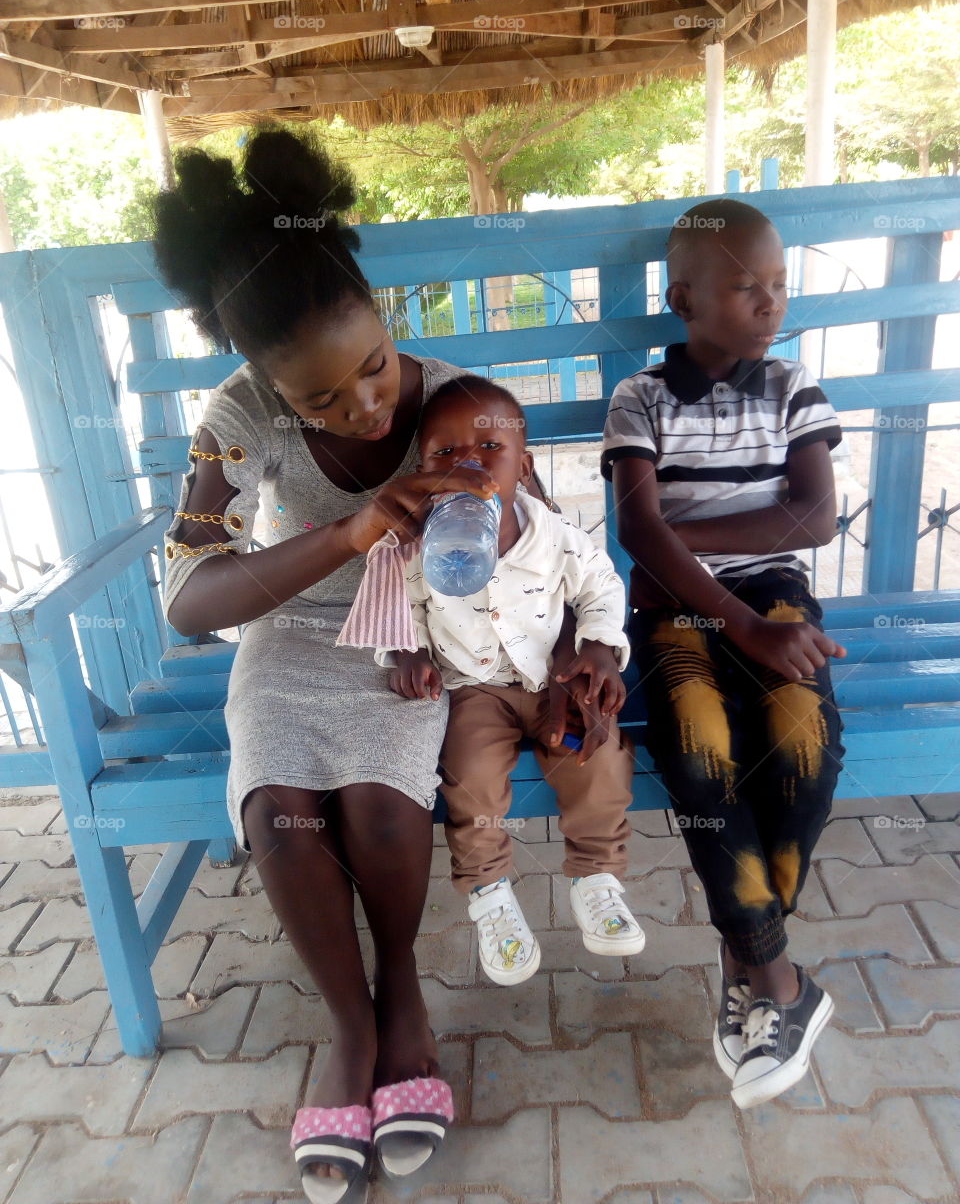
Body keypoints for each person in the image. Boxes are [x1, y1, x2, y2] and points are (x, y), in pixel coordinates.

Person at [151, 127, 568, 1203]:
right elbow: (193, 597)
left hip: (409, 642)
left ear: (384, 316)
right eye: (322, 400)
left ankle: (405, 1002)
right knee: (280, 813)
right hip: (290, 638)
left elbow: (552, 540)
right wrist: (343, 533)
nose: (367, 406)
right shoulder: (237, 420)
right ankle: (348, 1029)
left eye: (374, 366)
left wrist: (574, 648)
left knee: (383, 811)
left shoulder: (455, 402)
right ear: (266, 385)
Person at [603, 199, 847, 1109]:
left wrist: (685, 537)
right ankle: (781, 983)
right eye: (748, 287)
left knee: (804, 752)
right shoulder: (641, 399)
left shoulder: (794, 389)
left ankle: (746, 961)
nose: (770, 303)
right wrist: (731, 614)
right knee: (703, 760)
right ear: (685, 299)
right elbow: (637, 528)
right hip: (676, 615)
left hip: (777, 598)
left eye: (780, 285)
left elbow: (812, 520)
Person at [343, 375, 645, 986]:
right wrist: (405, 656)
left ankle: (596, 875)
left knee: (599, 753)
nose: (468, 466)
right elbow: (400, 610)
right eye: (445, 454)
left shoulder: (556, 536)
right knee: (471, 776)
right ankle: (490, 895)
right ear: (424, 470)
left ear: (523, 467)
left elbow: (602, 589)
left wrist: (602, 652)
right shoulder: (417, 548)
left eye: (489, 449)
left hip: (556, 677)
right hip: (475, 689)